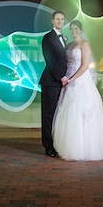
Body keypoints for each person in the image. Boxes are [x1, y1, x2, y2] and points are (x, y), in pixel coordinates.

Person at [52, 19, 103, 161]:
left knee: (82, 112)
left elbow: (85, 65)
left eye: (76, 29)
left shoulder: (84, 44)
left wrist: (72, 79)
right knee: (68, 111)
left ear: (80, 30)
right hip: (68, 79)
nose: (74, 31)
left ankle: (85, 147)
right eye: (72, 29)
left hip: (79, 81)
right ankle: (68, 145)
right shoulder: (70, 44)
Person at [39, 10, 68, 157]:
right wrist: (61, 76)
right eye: (57, 19)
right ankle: (48, 146)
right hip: (51, 82)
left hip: (61, 82)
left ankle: (56, 143)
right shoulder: (47, 38)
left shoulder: (64, 38)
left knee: (58, 115)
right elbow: (49, 60)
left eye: (62, 19)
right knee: (48, 115)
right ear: (52, 21)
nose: (60, 21)